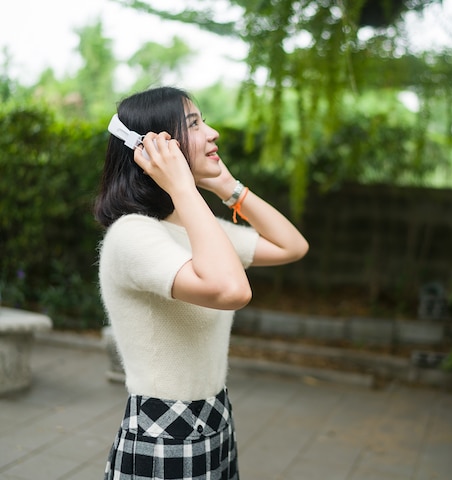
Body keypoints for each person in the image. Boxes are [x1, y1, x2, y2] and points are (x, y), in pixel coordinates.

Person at [94, 86, 308, 480]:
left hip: (216, 420)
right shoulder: (132, 236)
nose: (213, 133)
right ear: (156, 147)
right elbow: (232, 291)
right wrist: (183, 186)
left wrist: (227, 186)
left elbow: (292, 246)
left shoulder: (195, 230)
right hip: (164, 437)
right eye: (194, 124)